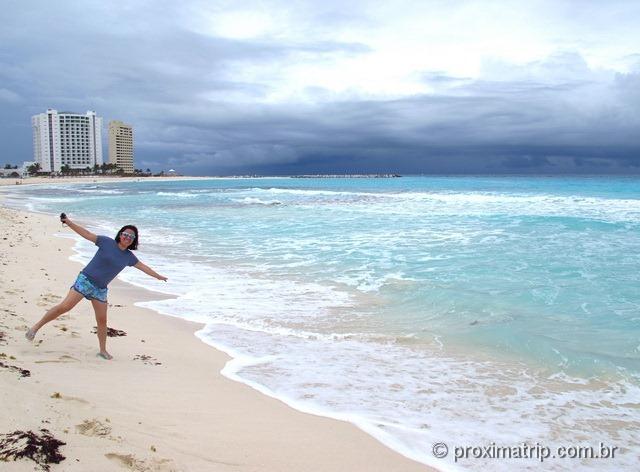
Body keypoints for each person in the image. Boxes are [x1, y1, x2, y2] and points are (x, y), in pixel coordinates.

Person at [25, 214, 168, 360]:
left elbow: (143, 267)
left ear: (133, 241)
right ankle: (36, 327)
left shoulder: (129, 257)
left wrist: (158, 276)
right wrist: (68, 222)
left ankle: (103, 350)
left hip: (100, 289)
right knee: (65, 307)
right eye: (125, 234)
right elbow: (86, 234)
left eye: (131, 236)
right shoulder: (106, 242)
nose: (127, 237)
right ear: (120, 235)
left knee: (102, 321)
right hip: (86, 280)